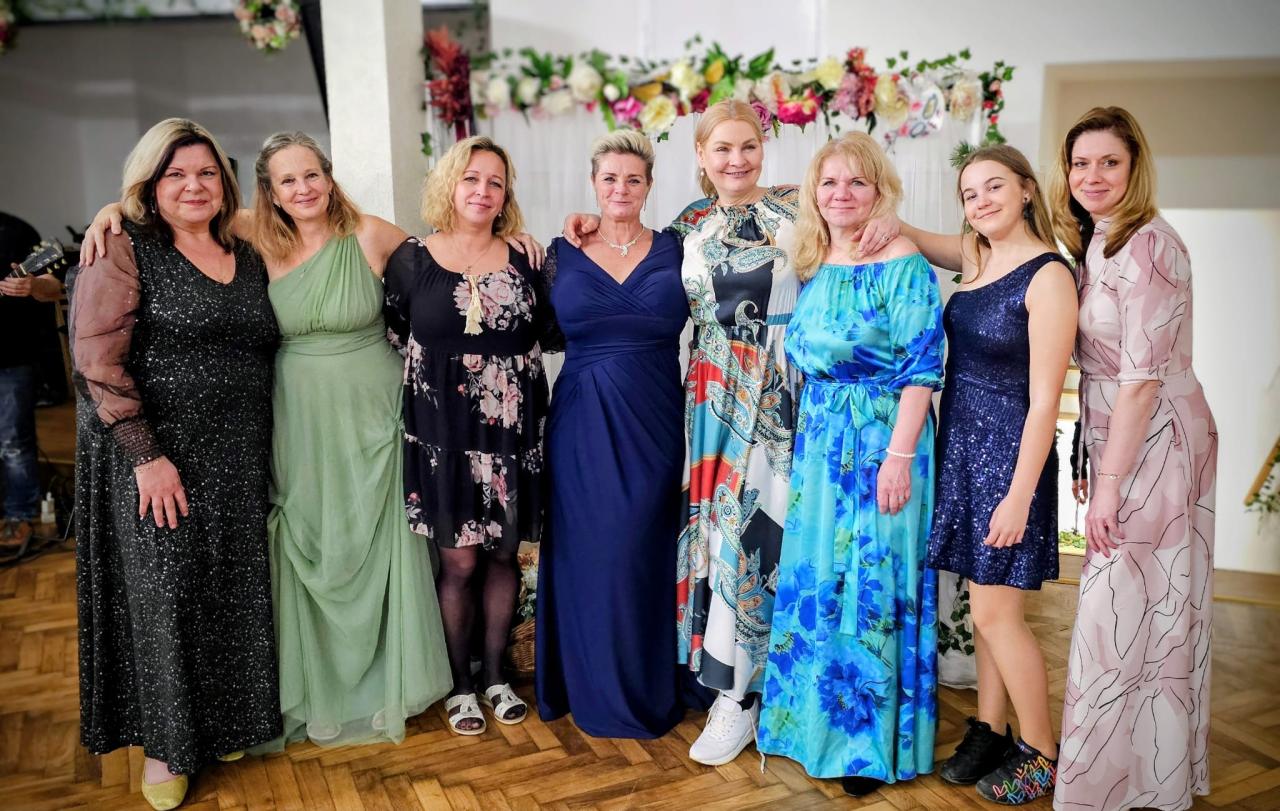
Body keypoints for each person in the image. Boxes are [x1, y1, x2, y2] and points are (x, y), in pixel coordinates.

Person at [78, 131, 456, 749]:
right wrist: (110, 210)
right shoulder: (253, 235)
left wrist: (514, 241)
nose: (303, 189)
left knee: (376, 540)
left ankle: (388, 679)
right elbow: (167, 203)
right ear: (269, 192)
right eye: (287, 180)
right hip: (294, 417)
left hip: (373, 415)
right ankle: (313, 688)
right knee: (308, 541)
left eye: (312, 175)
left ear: (329, 176)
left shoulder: (372, 234)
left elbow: (447, 271)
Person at [565, 99, 800, 765]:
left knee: (767, 534)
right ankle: (729, 692)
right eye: (721, 148)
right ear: (700, 155)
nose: (736, 159)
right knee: (719, 540)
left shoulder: (799, 207)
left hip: (778, 389)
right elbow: (630, 250)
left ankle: (766, 690)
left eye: (747, 145)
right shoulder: (686, 226)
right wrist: (589, 223)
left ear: (762, 148)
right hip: (706, 397)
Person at [71, 118, 281, 810]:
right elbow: (96, 361)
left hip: (237, 450)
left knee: (226, 586)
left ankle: (221, 722)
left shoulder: (244, 247)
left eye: (207, 173)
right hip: (157, 453)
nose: (194, 186)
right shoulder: (122, 247)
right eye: (175, 175)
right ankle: (165, 749)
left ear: (225, 183)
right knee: (166, 593)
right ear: (149, 185)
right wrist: (146, 455)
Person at [872, 144, 1076, 804]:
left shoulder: (1049, 275)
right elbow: (906, 232)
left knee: (996, 612)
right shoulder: (976, 253)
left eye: (994, 186)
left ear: (1026, 189)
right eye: (969, 193)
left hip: (1010, 461)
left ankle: (1043, 751)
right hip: (961, 450)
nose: (981, 201)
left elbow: (1044, 402)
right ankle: (989, 729)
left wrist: (1019, 495)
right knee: (980, 608)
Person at [755, 132, 945, 797]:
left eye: (857, 182)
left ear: (880, 191)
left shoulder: (902, 260)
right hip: (820, 447)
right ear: (814, 193)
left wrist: (898, 457)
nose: (842, 194)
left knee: (872, 585)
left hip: (883, 443)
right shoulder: (813, 258)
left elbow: (922, 368)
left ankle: (865, 744)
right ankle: (813, 729)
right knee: (820, 581)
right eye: (830, 182)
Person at [1049, 106, 1217, 811]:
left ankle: (1117, 783)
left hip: (1159, 440)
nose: (1092, 176)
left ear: (1135, 167)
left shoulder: (1149, 244)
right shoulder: (1101, 238)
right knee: (1137, 607)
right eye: (1080, 163)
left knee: (1125, 608)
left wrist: (1110, 484)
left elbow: (1142, 380)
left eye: (1109, 163)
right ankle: (1135, 777)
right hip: (1124, 433)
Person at [383, 135, 551, 736]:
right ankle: (460, 686)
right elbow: (396, 331)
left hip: (513, 438)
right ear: (449, 185)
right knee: (458, 562)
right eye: (471, 179)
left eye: (495, 182)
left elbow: (552, 332)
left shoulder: (528, 258)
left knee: (504, 556)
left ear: (506, 196)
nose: (483, 191)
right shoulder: (411, 259)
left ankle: (497, 677)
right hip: (443, 438)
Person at [535, 131, 691, 738]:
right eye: (609, 178)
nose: (621, 188)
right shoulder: (559, 252)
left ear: (649, 185)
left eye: (633, 179)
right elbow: (537, 327)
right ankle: (587, 683)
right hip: (581, 419)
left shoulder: (680, 245)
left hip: (654, 417)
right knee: (590, 552)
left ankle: (646, 682)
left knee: (642, 550)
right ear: (593, 184)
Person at [0, 212, 61, 555]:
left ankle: (18, 515)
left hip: (11, 357)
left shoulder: (14, 231)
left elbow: (53, 287)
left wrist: (32, 286)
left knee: (13, 442)